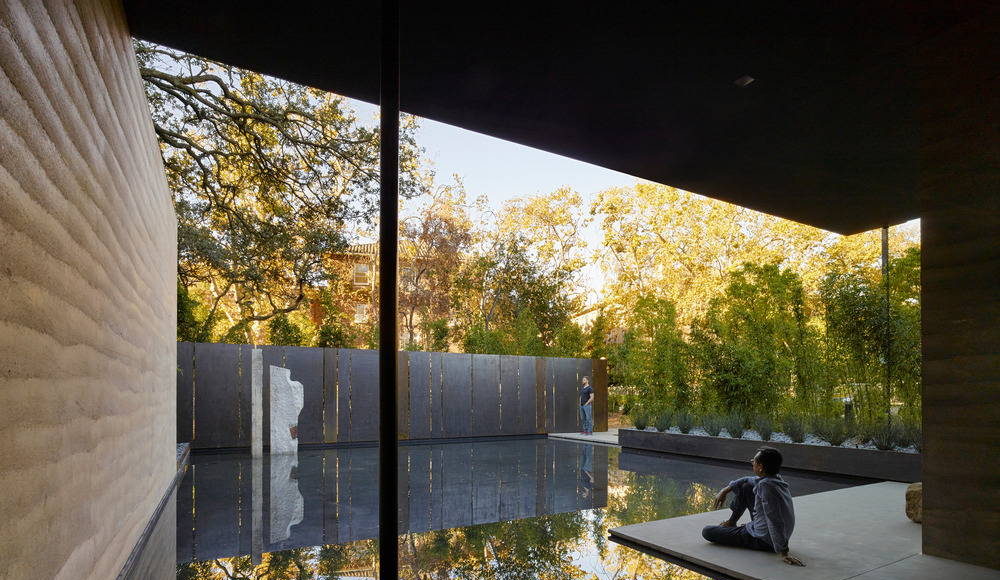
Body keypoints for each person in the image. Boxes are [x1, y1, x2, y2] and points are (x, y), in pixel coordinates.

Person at [701, 447, 805, 567]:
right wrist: (725, 490)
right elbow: (747, 479)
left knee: (708, 531)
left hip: (764, 540)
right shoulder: (774, 478)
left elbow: (775, 519)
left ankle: (738, 528)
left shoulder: (766, 488)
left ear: (760, 467)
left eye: (754, 461)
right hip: (766, 531)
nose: (752, 463)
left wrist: (784, 552)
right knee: (746, 486)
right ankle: (731, 522)